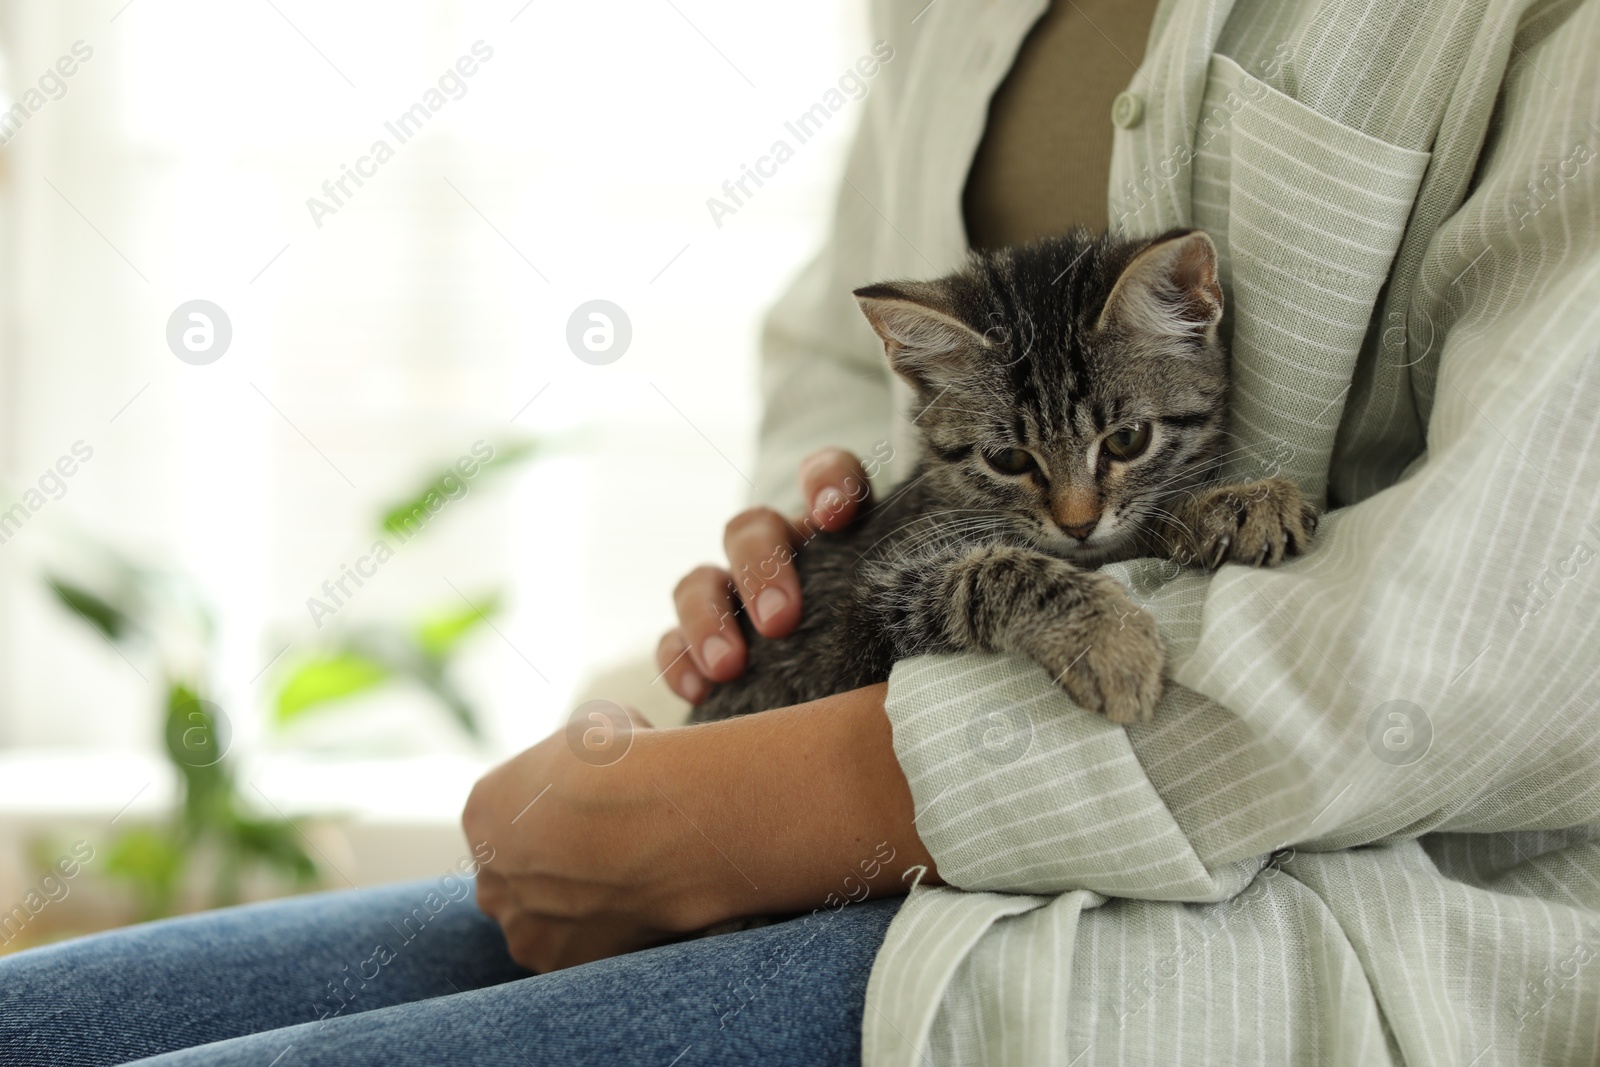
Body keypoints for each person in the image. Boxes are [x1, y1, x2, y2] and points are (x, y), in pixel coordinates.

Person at [5, 0, 1600, 1063]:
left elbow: (1506, 639)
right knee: (48, 1021)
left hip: (1299, 914)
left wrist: (794, 803)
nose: (1076, 503)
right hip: (865, 757)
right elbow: (853, 343)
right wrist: (807, 527)